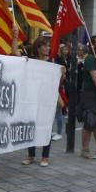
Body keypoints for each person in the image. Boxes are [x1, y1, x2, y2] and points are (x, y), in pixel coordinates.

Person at [24, 36, 59, 167]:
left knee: (46, 127)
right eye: (44, 45)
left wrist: (62, 74)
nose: (47, 48)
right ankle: (31, 154)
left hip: (47, 99)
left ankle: (45, 156)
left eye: (48, 45)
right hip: (33, 98)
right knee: (31, 127)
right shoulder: (31, 61)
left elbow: (58, 82)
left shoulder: (54, 62)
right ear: (38, 48)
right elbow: (15, 53)